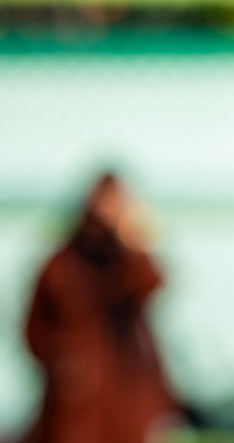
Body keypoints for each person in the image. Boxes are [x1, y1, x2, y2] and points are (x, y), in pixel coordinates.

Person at [21, 173, 180, 443]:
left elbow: (153, 284)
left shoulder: (126, 261)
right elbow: (34, 329)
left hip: (127, 395)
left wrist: (132, 237)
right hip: (77, 402)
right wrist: (60, 362)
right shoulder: (61, 265)